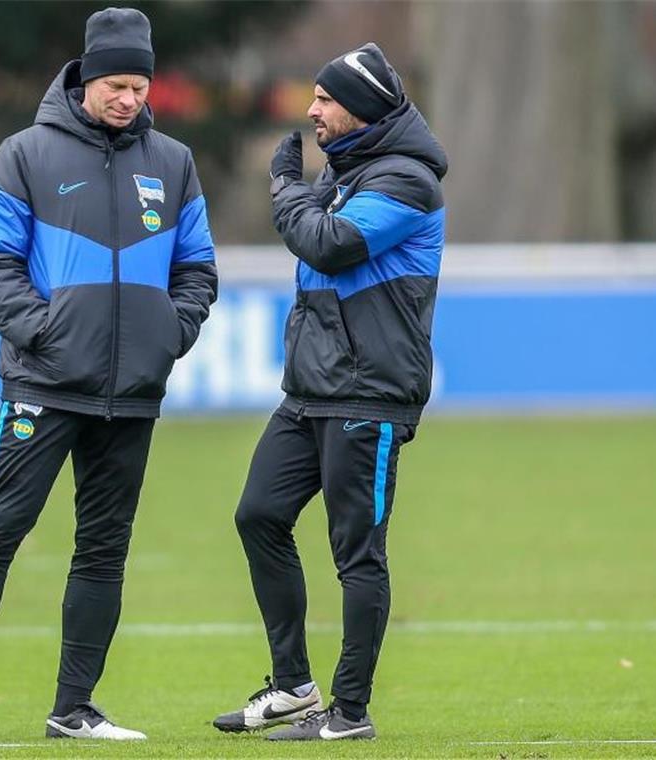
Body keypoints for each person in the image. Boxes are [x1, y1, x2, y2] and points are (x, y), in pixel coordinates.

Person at [0, 7, 217, 744]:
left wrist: (167, 337)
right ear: (86, 78)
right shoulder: (25, 154)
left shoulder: (172, 163)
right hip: (44, 388)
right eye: (116, 84)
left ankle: (74, 708)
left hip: (132, 396)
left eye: (140, 86)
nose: (129, 100)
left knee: (104, 551)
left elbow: (198, 268)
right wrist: (44, 335)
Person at [212, 42, 447, 741]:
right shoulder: (348, 172)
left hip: (368, 394)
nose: (311, 110)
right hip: (312, 389)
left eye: (325, 99)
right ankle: (292, 688)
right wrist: (304, 189)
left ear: (364, 107)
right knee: (258, 515)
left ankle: (348, 712)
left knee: (357, 555)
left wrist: (285, 188)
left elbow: (330, 245)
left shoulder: (407, 182)